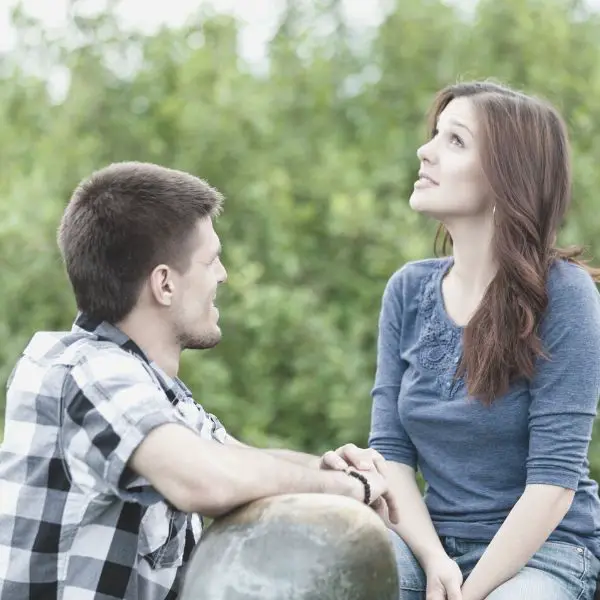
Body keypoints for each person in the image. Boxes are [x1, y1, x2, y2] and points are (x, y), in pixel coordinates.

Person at [0, 161, 397, 600]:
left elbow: (236, 458)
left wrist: (332, 466)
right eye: (211, 260)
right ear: (165, 284)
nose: (223, 274)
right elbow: (205, 479)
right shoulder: (84, 371)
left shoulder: (151, 389)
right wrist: (345, 489)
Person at [368, 80, 600, 600]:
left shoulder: (565, 295)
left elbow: (554, 486)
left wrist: (470, 595)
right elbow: (390, 455)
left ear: (506, 175)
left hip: (545, 553)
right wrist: (434, 562)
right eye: (435, 134)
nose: (425, 151)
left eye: (455, 141)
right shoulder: (407, 289)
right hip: (432, 544)